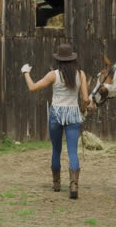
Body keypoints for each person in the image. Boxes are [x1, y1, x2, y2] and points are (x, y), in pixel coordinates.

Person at [21, 43, 93, 199]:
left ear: (59, 60)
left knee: (56, 149)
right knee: (73, 151)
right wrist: (81, 109)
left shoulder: (53, 75)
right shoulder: (81, 74)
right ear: (73, 59)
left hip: (56, 114)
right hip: (73, 113)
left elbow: (33, 88)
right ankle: (74, 186)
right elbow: (86, 99)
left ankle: (56, 183)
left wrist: (26, 72)